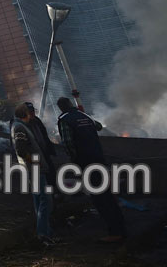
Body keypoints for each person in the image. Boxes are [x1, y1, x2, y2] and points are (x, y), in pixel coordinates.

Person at [56, 97, 127, 242]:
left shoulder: (64, 120)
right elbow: (99, 126)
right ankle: (121, 228)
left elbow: (68, 143)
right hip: (99, 159)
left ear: (60, 108)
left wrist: (74, 161)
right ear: (71, 104)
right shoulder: (84, 116)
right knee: (107, 194)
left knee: (99, 198)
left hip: (86, 162)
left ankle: (115, 232)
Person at [11, 103, 56, 246]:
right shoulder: (19, 127)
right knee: (46, 200)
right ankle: (43, 234)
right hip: (34, 169)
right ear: (25, 114)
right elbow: (21, 150)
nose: (32, 115)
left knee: (39, 200)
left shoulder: (22, 126)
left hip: (35, 169)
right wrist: (35, 163)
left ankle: (46, 234)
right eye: (29, 113)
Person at [24, 101, 57, 188]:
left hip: (44, 152)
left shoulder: (37, 120)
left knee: (51, 173)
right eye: (29, 111)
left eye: (32, 111)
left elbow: (44, 135)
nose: (32, 113)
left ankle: (55, 193)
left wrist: (50, 149)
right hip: (33, 156)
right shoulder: (21, 125)